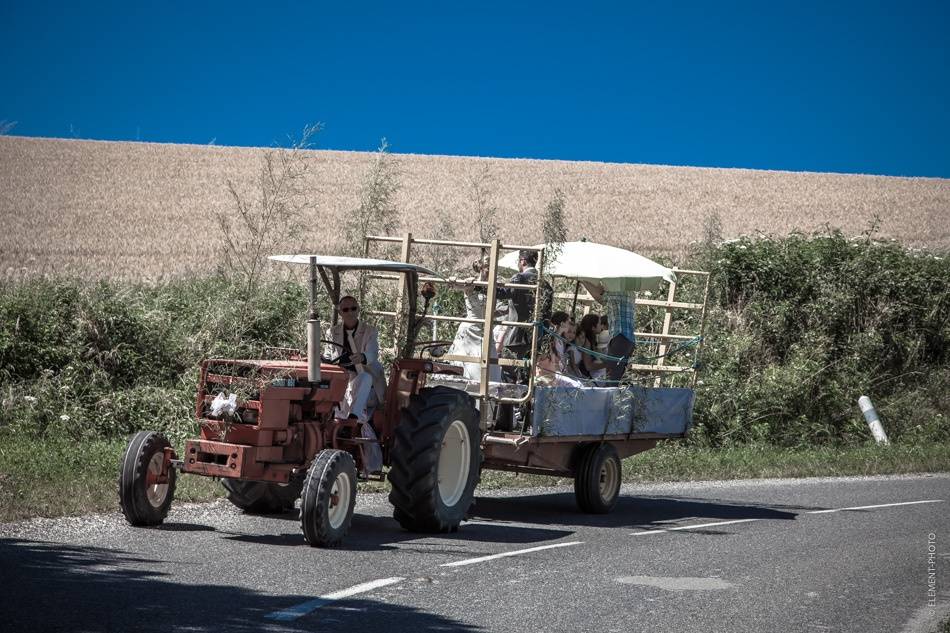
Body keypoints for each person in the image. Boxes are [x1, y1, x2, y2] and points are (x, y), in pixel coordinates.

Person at [325, 295, 385, 472]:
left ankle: (354, 418)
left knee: (365, 379)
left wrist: (363, 357)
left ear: (358, 310)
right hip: (342, 376)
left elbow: (373, 352)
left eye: (353, 309)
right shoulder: (333, 332)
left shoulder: (369, 331)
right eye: (345, 310)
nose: (350, 313)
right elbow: (329, 354)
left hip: (363, 374)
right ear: (340, 312)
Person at [447, 256, 502, 383]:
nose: (491, 270)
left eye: (493, 267)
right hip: (472, 330)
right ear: (481, 268)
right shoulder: (472, 283)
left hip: (486, 330)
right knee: (470, 367)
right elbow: (457, 286)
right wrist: (453, 281)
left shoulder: (493, 286)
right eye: (488, 267)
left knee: (489, 369)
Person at [581, 280, 636, 382]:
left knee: (611, 379)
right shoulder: (629, 292)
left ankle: (610, 398)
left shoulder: (617, 292)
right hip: (627, 338)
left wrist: (584, 279)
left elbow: (600, 296)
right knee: (617, 377)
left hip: (620, 337)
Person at [575, 313, 608, 382]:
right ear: (593, 327)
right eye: (599, 324)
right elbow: (588, 366)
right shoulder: (586, 342)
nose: (601, 326)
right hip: (583, 377)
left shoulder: (593, 339)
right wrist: (607, 364)